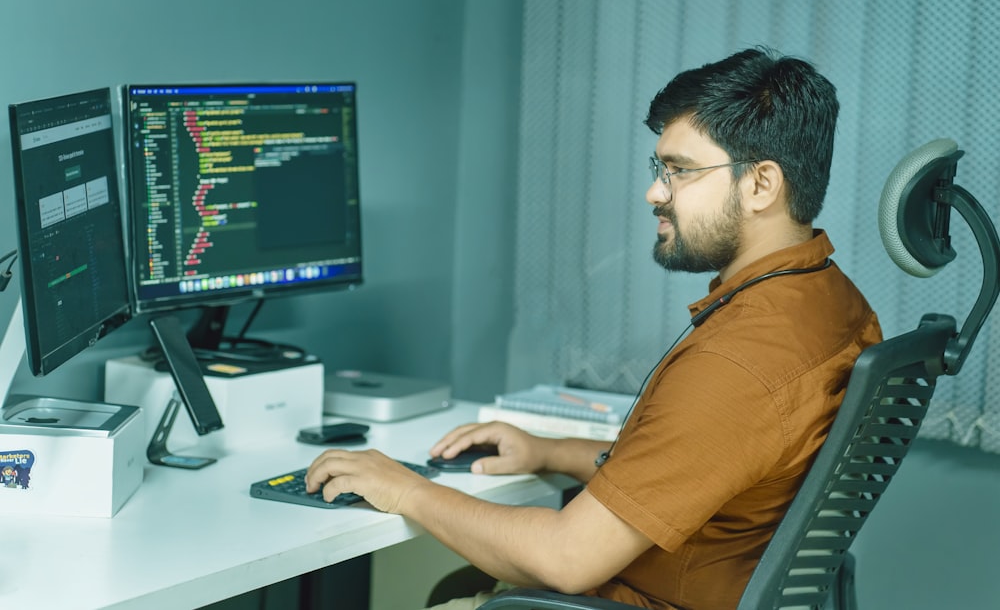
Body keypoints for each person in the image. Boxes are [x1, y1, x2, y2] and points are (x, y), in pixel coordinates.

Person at [305, 47, 882, 610]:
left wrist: (407, 488)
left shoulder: (737, 362)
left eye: (680, 171)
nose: (655, 191)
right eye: (660, 168)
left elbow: (566, 558)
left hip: (641, 596)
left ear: (761, 185)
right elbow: (707, 463)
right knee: (453, 586)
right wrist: (549, 451)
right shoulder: (833, 304)